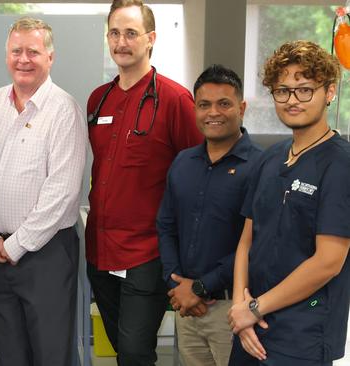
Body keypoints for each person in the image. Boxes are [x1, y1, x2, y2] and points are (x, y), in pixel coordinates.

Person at [85, 0, 203, 364]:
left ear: (150, 39)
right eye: (115, 33)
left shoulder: (174, 99)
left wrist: (191, 264)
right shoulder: (98, 99)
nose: (122, 42)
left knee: (135, 352)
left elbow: (199, 178)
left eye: (131, 33)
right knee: (123, 349)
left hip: (147, 253)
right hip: (100, 252)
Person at [0, 17, 87, 366]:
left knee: (50, 355)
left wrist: (14, 245)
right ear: (6, 55)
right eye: (16, 51)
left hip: (46, 255)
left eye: (33, 52)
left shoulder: (64, 109)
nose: (24, 59)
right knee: (9, 354)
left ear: (50, 58)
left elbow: (63, 192)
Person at [228, 40, 350, 365]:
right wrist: (241, 307)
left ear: (330, 92)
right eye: (282, 90)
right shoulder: (269, 159)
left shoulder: (340, 165)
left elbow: (328, 262)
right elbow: (245, 242)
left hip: (301, 336)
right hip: (248, 327)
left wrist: (255, 309)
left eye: (305, 89)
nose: (292, 100)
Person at [156, 64, 262, 366]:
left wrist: (201, 288)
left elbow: (257, 243)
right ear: (195, 109)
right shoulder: (182, 162)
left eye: (224, 104)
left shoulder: (261, 167)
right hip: (187, 307)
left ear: (241, 108)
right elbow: (166, 225)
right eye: (204, 104)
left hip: (233, 309)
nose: (213, 112)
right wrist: (176, 284)